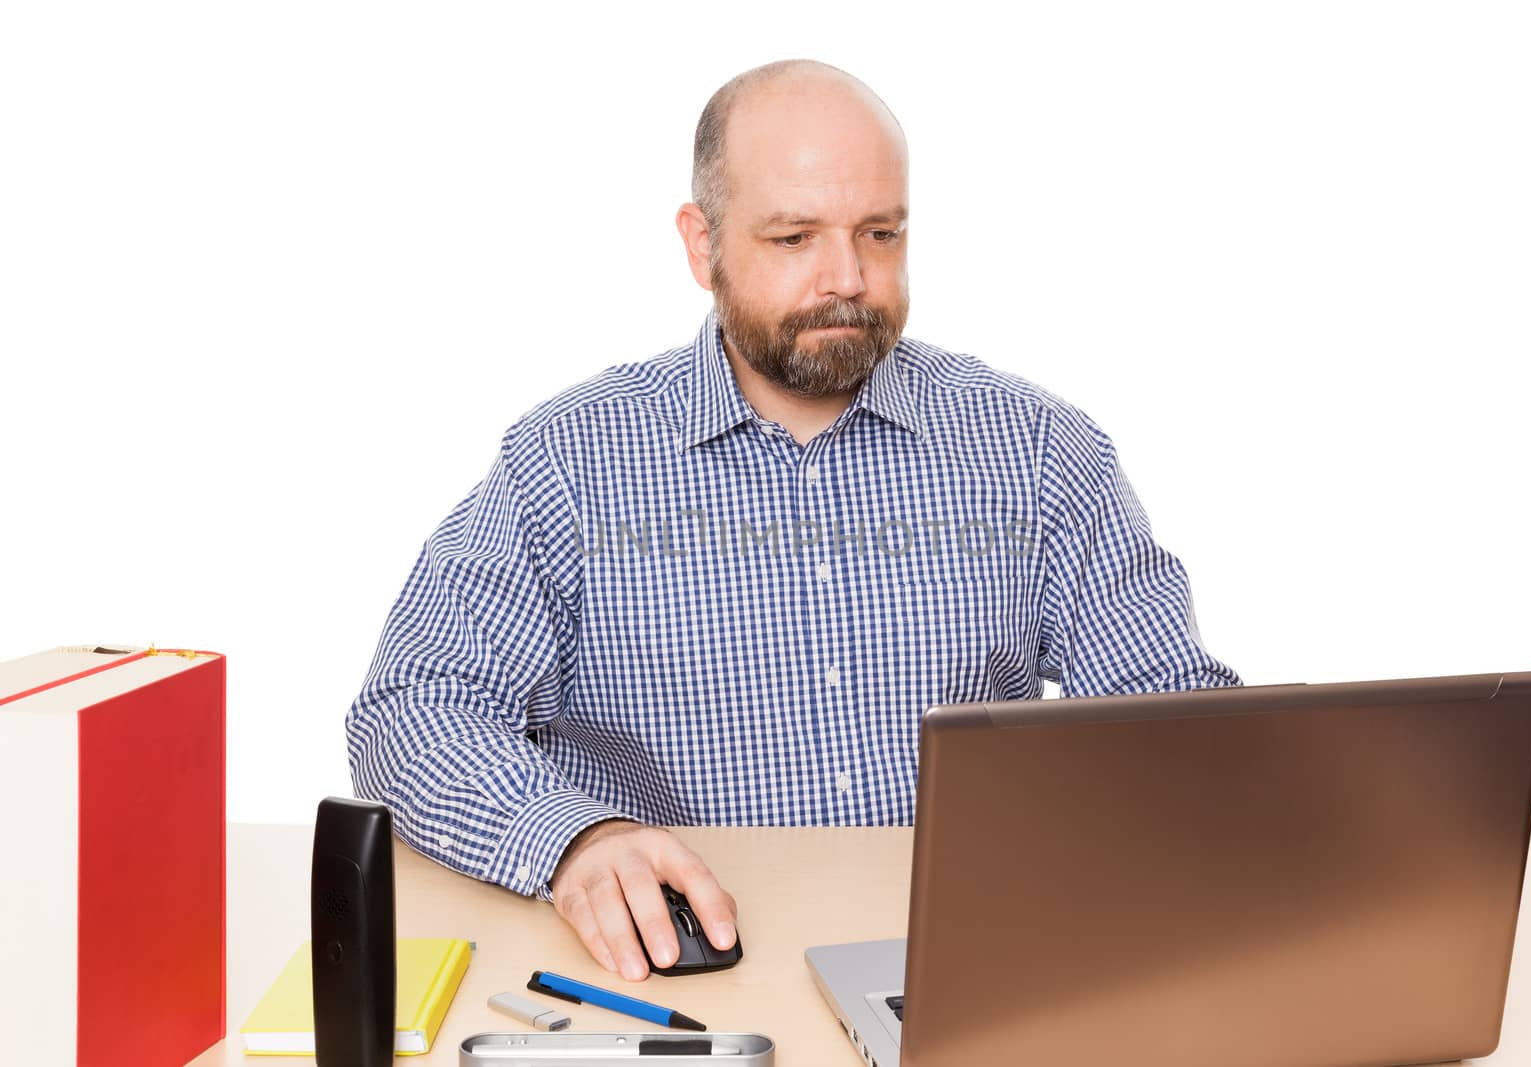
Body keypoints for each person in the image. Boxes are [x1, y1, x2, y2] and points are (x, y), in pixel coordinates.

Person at [347, 58, 1240, 984]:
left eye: (880, 233)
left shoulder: (1040, 449)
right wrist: (571, 841)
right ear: (702, 245)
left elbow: (1170, 711)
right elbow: (412, 705)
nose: (846, 278)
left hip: (977, 968)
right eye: (792, 238)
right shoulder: (570, 462)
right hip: (684, 976)